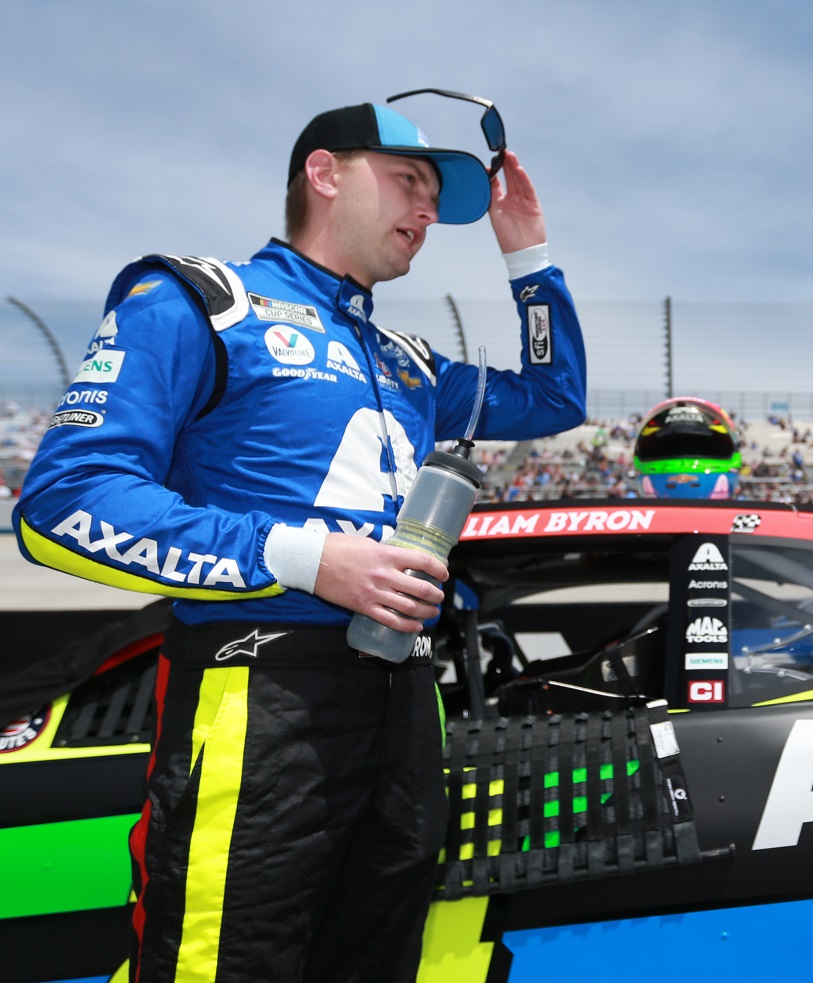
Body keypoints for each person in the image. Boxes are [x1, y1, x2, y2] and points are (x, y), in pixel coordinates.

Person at [14, 98, 586, 981]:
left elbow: (555, 398)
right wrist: (307, 558)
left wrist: (530, 256)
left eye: (436, 197)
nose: (428, 212)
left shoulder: (410, 360)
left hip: (403, 704)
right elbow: (61, 505)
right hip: (258, 692)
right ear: (324, 173)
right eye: (409, 182)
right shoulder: (200, 300)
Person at [633, 396, 741, 498]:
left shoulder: (628, 515)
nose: (684, 463)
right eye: (673, 451)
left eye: (698, 449)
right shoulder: (748, 514)